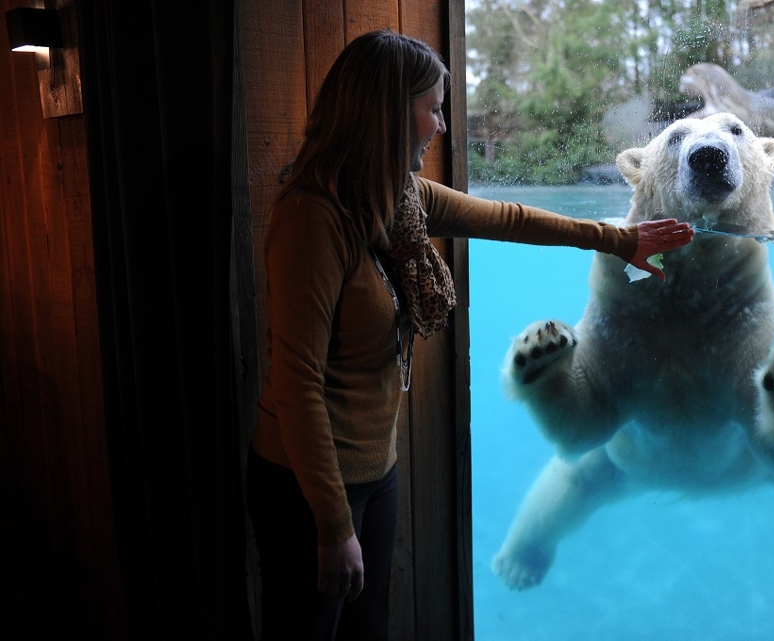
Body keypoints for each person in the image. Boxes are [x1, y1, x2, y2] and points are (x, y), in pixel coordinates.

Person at [244, 29, 693, 641]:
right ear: (387, 114)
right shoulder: (313, 220)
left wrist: (620, 239)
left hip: (374, 470)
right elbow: (297, 386)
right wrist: (331, 524)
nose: (441, 125)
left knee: (369, 628)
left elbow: (507, 218)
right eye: (432, 108)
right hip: (308, 486)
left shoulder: (398, 200)